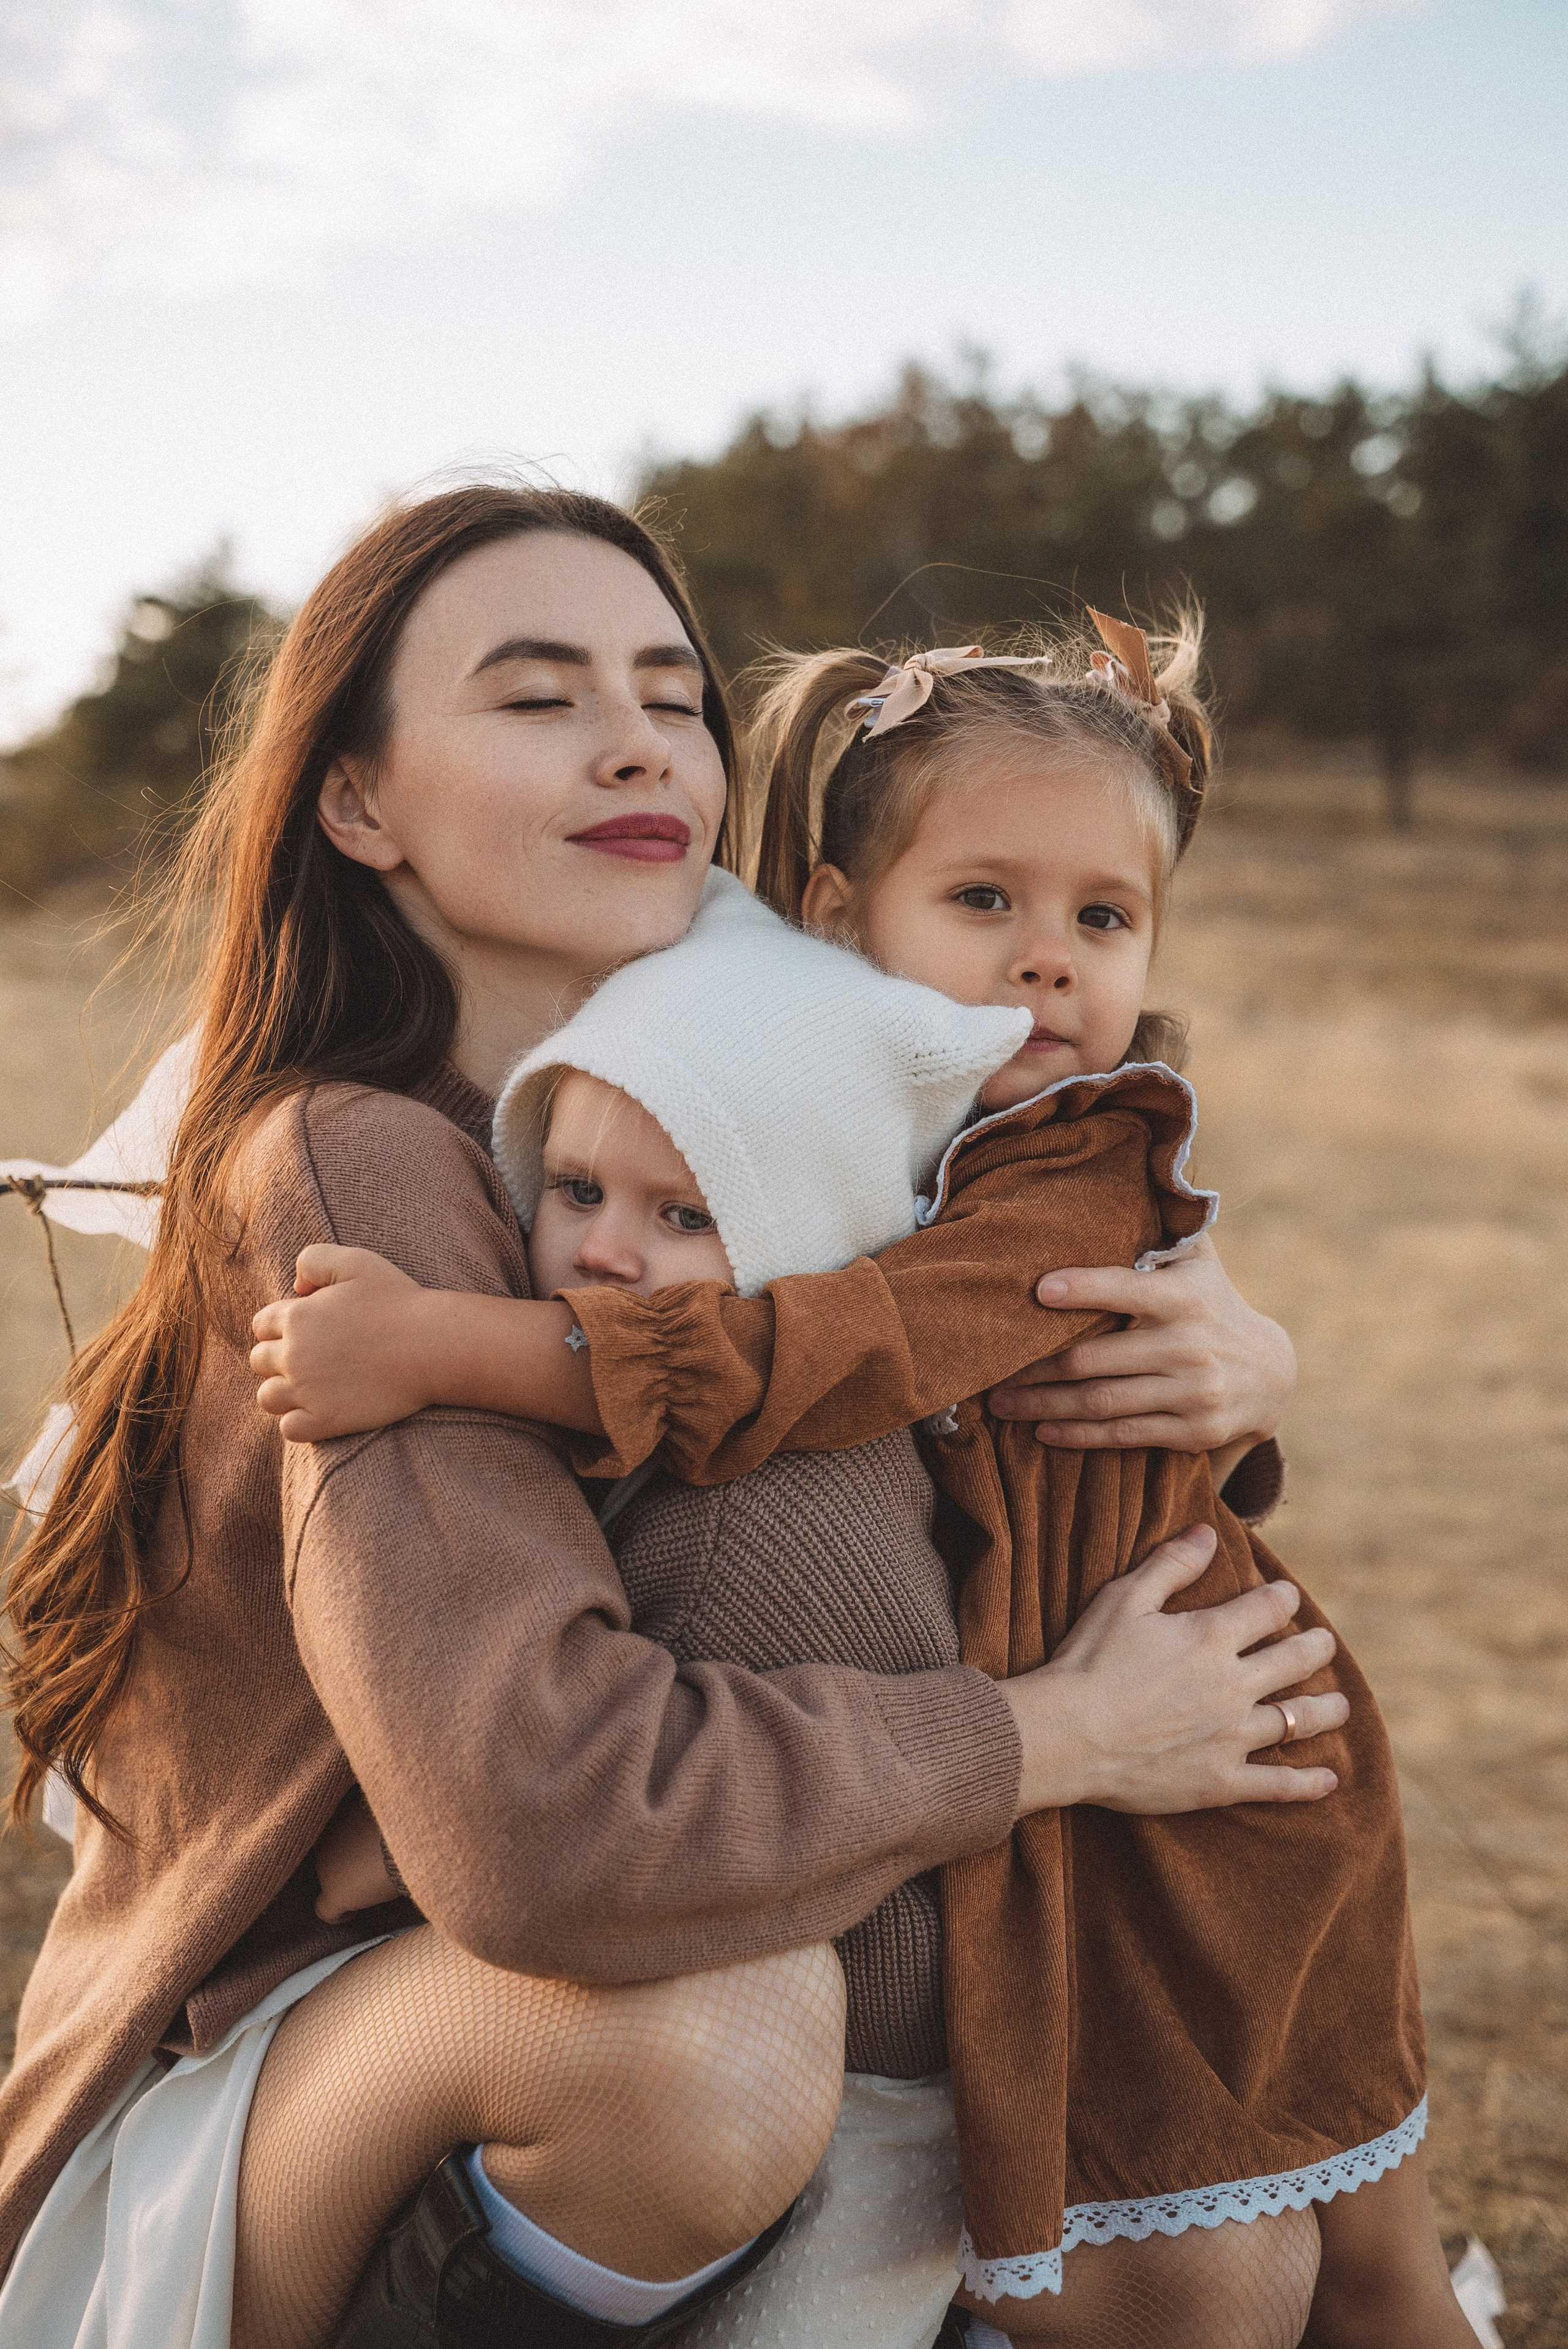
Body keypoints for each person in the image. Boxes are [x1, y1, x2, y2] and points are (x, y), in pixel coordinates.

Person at [1, 485, 1306, 2349]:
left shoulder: (761, 1082)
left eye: (670, 694)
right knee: (714, 2048)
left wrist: (1241, 1361)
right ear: (358, 802)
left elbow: (973, 1310)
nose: (632, 739)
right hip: (325, 2056)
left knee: (1219, 2257)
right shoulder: (361, 1159)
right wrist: (1050, 1736)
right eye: (537, 698)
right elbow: (547, 1832)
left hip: (748, 1938)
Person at [255, 613, 1471, 2349]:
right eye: (987, 901)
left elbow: (836, 1348)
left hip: (1205, 1735)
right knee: (1170, 2209)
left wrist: (458, 1346)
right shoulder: (771, 1090)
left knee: (1328, 2240)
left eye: (1102, 919)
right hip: (998, 1765)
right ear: (835, 919)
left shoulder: (1055, 1149)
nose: (1049, 962)